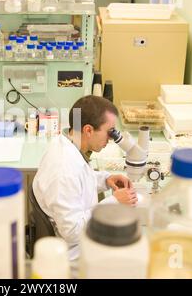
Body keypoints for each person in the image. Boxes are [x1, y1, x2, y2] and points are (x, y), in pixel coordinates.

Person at [32, 95, 137, 260]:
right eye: (109, 132)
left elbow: (79, 181)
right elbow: (72, 232)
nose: (111, 139)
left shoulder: (66, 143)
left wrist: (105, 180)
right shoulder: (64, 170)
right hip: (75, 255)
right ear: (88, 130)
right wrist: (113, 202)